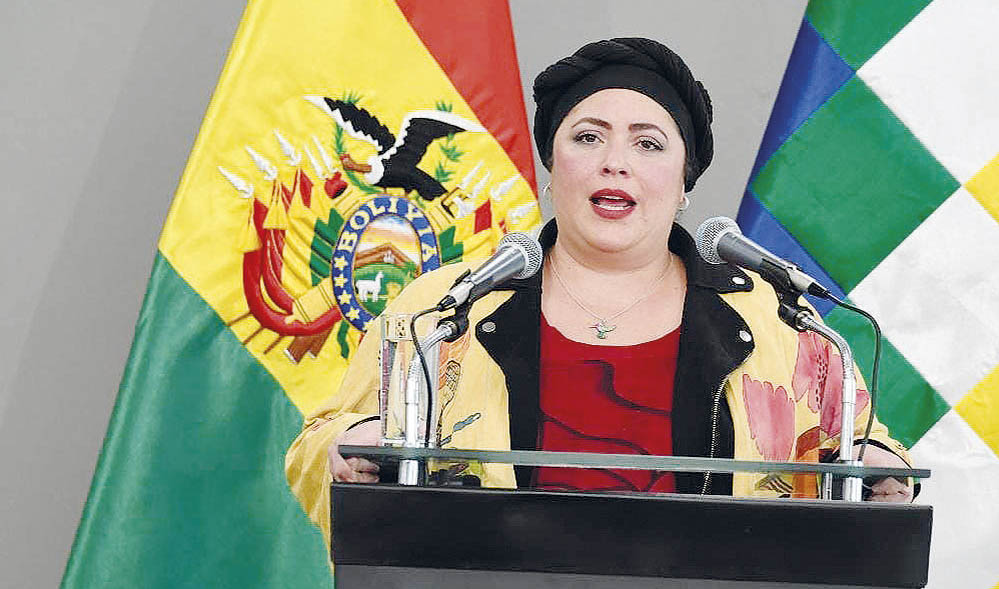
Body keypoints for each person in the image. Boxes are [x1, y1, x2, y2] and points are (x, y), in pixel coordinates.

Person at [286, 38, 914, 545]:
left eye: (648, 143)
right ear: (551, 170)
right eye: (588, 137)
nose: (616, 161)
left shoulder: (776, 316)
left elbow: (860, 445)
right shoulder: (445, 306)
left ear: (684, 181)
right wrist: (348, 449)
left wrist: (886, 474)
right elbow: (321, 439)